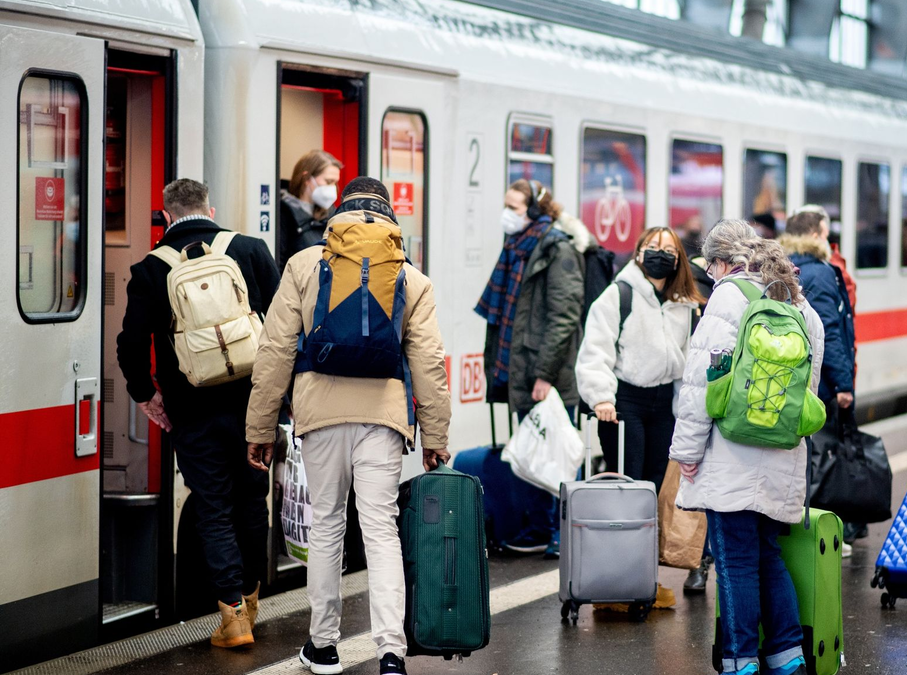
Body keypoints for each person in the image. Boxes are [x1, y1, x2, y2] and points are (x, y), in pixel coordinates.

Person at [245, 177, 451, 675]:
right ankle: (390, 653)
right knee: (380, 531)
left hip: (319, 413)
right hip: (383, 418)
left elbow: (274, 351)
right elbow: (429, 364)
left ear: (340, 214)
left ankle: (323, 646)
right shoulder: (411, 277)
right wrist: (436, 437)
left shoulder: (302, 265)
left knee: (328, 525)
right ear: (389, 216)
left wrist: (259, 426)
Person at [116, 178, 280, 648]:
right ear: (211, 207)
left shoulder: (151, 267)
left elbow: (131, 343)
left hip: (191, 410)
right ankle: (251, 600)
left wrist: (147, 395)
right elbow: (285, 323)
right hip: (253, 405)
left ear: (166, 215)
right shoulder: (249, 249)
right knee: (252, 501)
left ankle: (232, 619)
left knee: (213, 506)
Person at [671, 219, 825, 675]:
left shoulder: (728, 297)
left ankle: (741, 662)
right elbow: (808, 393)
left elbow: (699, 384)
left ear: (722, 262)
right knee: (768, 555)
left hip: (729, 452)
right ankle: (788, 655)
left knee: (735, 562)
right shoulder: (800, 302)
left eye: (710, 267)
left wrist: (687, 454)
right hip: (781, 453)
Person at [574, 226, 705, 592]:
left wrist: (689, 412)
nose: (659, 254)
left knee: (656, 488)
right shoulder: (619, 294)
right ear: (637, 253)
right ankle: (621, 571)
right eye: (652, 247)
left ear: (678, 259)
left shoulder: (686, 304)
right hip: (624, 402)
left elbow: (691, 363)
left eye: (667, 249)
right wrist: (601, 397)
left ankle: (645, 573)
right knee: (629, 485)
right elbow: (595, 351)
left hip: (665, 404)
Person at [476, 179, 584, 556]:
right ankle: (538, 527)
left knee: (555, 454)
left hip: (545, 374)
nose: (508, 214)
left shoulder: (558, 250)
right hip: (521, 367)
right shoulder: (518, 249)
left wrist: (545, 375)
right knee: (535, 451)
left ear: (535, 212)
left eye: (515, 207)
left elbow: (564, 316)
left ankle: (561, 530)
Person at [779, 206, 859, 555]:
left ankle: (795, 526)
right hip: (820, 385)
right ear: (815, 235)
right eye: (826, 233)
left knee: (799, 457)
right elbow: (830, 335)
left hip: (787, 379)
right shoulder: (824, 273)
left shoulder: (779, 268)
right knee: (821, 458)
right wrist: (843, 384)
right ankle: (819, 532)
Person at [279, 150, 343, 263]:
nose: (333, 188)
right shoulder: (283, 214)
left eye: (335, 183)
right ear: (307, 179)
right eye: (328, 181)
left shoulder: (332, 214)